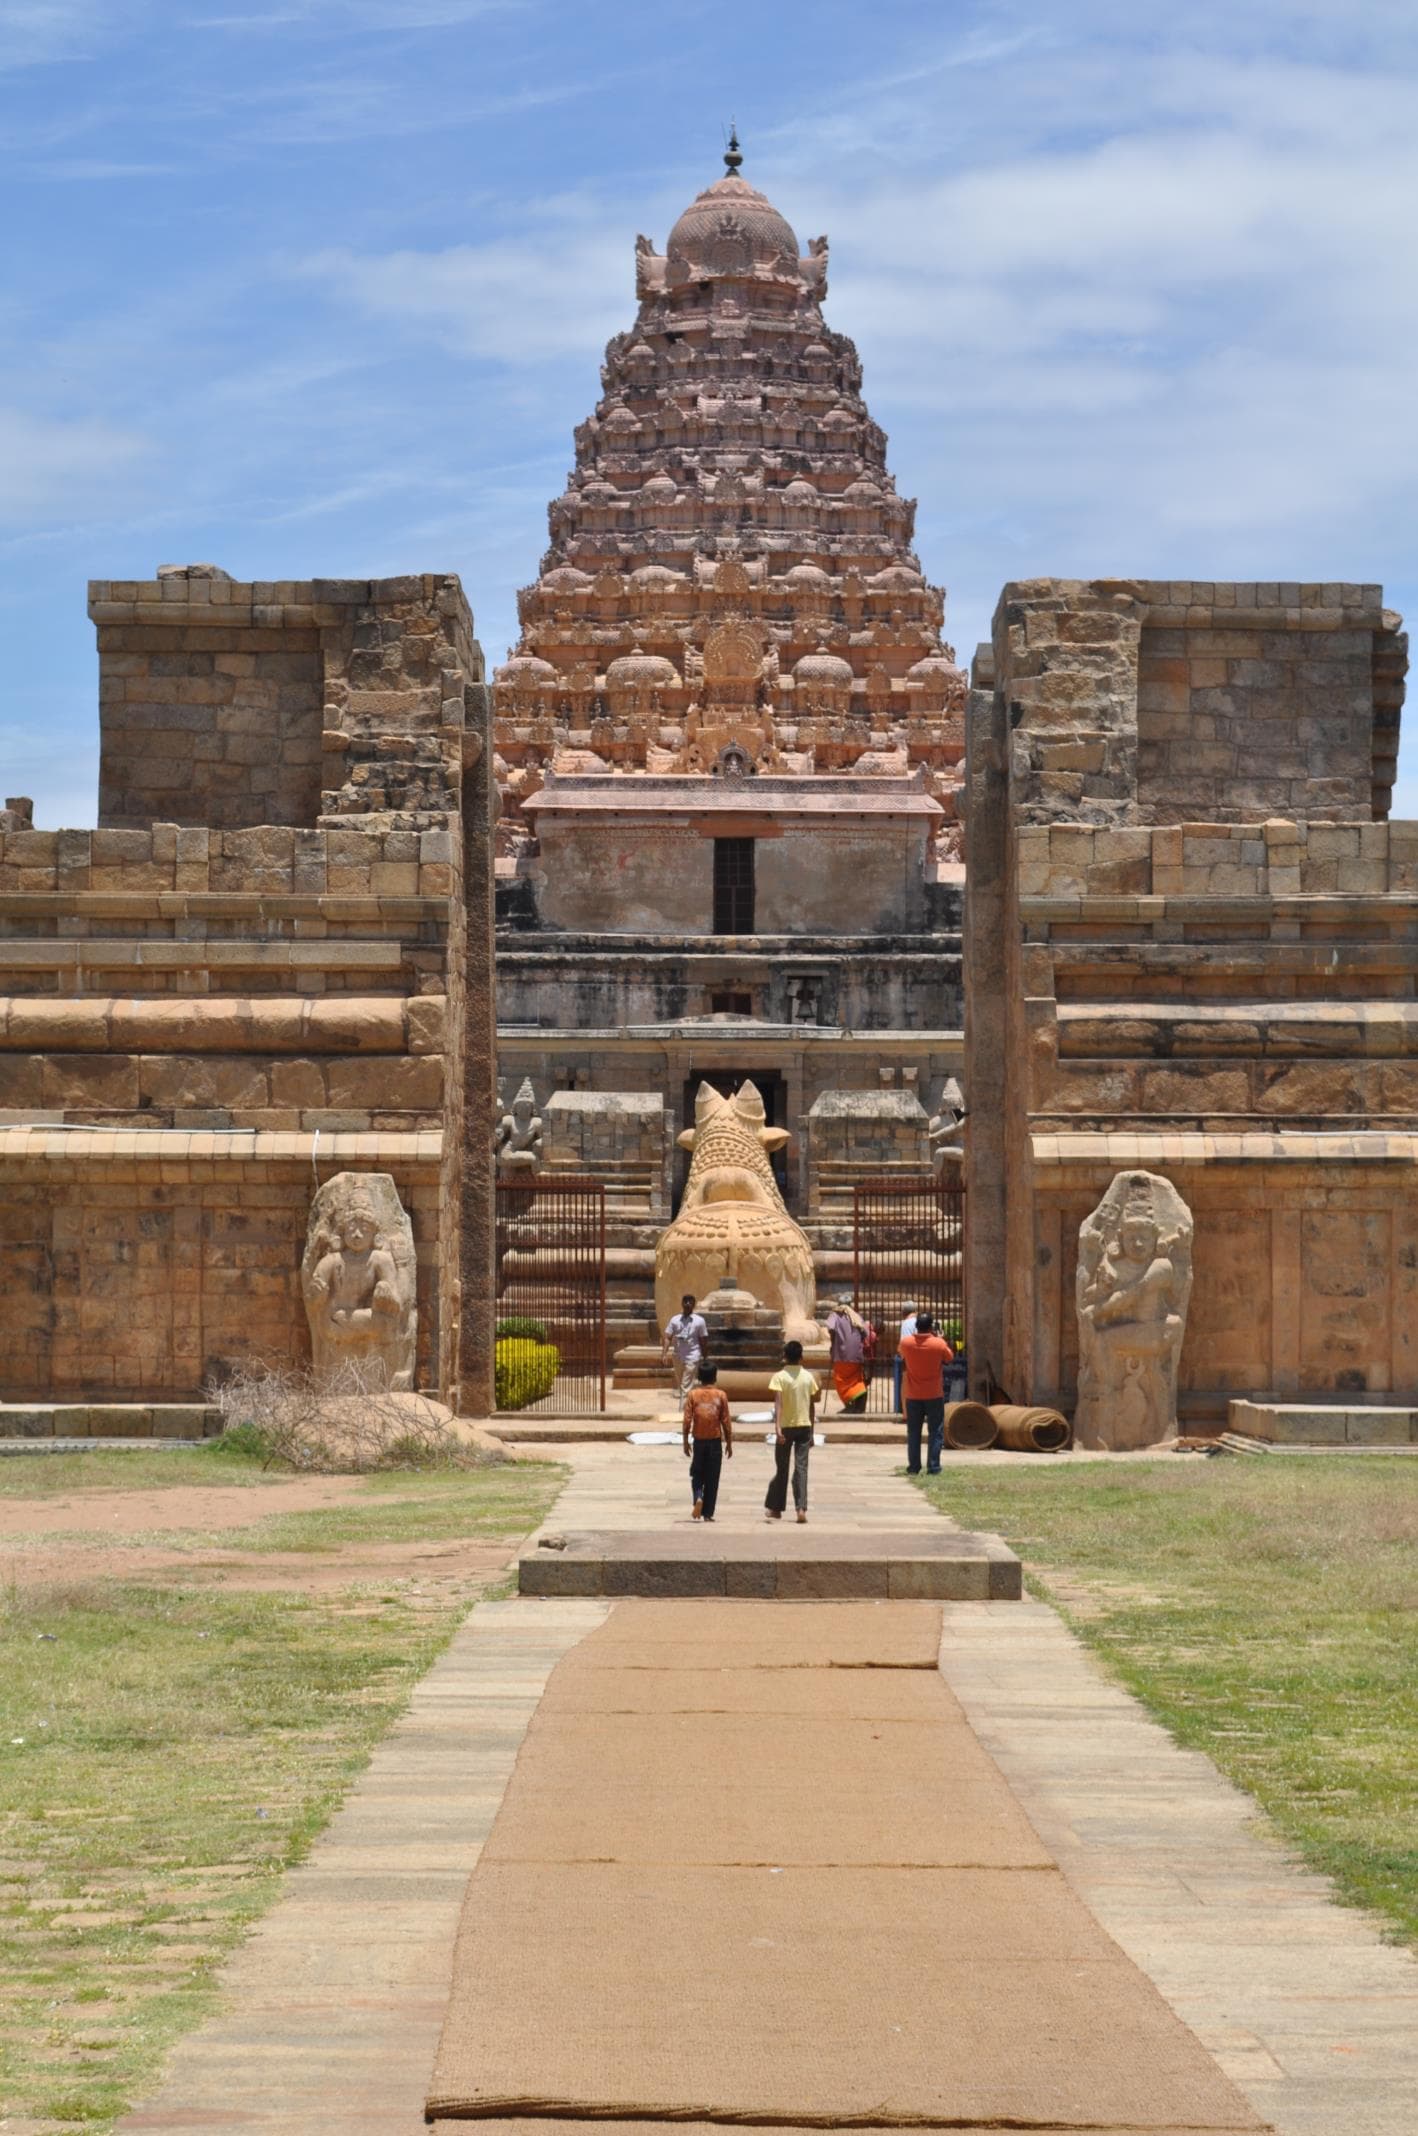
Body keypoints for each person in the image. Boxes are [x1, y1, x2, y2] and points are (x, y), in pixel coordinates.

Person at [765, 1338, 819, 1524]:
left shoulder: (779, 1377)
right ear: (801, 1357)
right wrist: (812, 1432)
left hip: (786, 1427)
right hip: (804, 1426)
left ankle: (776, 1508)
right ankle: (801, 1508)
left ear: (785, 1357)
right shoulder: (808, 1377)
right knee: (801, 1469)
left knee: (782, 1468)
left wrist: (777, 1428)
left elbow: (778, 1404)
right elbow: (811, 1406)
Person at [899, 1310, 955, 1476]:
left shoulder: (906, 1343)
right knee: (935, 1431)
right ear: (931, 1327)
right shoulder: (938, 1344)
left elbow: (901, 1355)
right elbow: (949, 1358)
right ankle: (933, 1466)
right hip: (933, 1394)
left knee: (913, 1432)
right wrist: (940, 1338)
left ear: (916, 1326)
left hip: (913, 1395)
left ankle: (914, 1467)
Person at [682, 1361, 732, 1522]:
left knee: (697, 1473)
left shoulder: (693, 1395)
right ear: (715, 1377)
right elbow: (726, 1421)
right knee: (713, 1477)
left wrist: (685, 1441)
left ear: (699, 1377)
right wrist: (729, 1443)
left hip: (699, 1441)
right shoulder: (721, 1395)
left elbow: (687, 1420)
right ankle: (708, 1513)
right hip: (715, 1441)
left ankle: (698, 1496)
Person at [824, 1295, 873, 1413]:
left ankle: (850, 1405)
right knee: (856, 1380)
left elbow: (830, 1328)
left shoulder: (835, 1315)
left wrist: (833, 1345)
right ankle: (859, 1405)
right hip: (857, 1356)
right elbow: (865, 1333)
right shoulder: (856, 1316)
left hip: (841, 1355)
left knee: (840, 1380)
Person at [661, 1292, 708, 1402]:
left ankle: (683, 1410)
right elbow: (668, 1337)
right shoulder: (675, 1320)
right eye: (685, 1301)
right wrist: (664, 1354)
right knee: (682, 1385)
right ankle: (691, 1406)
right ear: (682, 1303)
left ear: (694, 1304)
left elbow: (703, 1340)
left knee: (685, 1386)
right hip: (677, 1356)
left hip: (693, 1356)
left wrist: (705, 1356)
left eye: (690, 1301)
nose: (687, 1303)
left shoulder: (700, 1321)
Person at [892, 1303, 919, 1415]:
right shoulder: (920, 1322)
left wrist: (901, 1354)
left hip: (910, 1360)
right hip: (923, 1358)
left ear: (903, 1313)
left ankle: (906, 1413)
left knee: (907, 1386)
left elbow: (905, 1343)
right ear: (916, 1311)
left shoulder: (906, 1323)